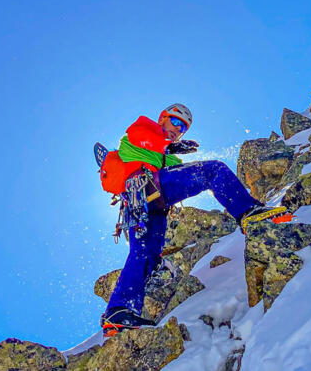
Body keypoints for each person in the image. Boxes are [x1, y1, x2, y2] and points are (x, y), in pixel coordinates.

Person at [100, 103, 290, 336]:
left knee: (145, 255)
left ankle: (119, 312)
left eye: (183, 128)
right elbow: (142, 138)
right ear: (162, 118)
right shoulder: (143, 127)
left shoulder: (164, 155)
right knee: (213, 170)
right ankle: (248, 212)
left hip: (147, 204)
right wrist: (169, 145)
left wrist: (170, 150)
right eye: (175, 122)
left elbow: (166, 163)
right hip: (146, 190)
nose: (178, 130)